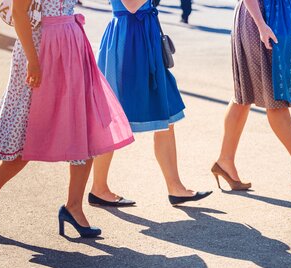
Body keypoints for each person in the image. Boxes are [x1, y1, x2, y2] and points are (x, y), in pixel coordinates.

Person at [0, 0, 134, 237]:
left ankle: (73, 206)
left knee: (85, 130)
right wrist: (33, 63)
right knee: (27, 136)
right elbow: (19, 12)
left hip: (72, 46)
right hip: (40, 52)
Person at [89, 0, 212, 208]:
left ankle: (176, 188)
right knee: (112, 117)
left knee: (166, 115)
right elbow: (132, 5)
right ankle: (99, 188)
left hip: (143, 36)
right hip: (128, 41)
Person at [212, 0, 291, 192]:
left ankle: (225, 162)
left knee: (245, 96)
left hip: (282, 15)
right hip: (259, 18)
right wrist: (261, 25)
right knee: (275, 97)